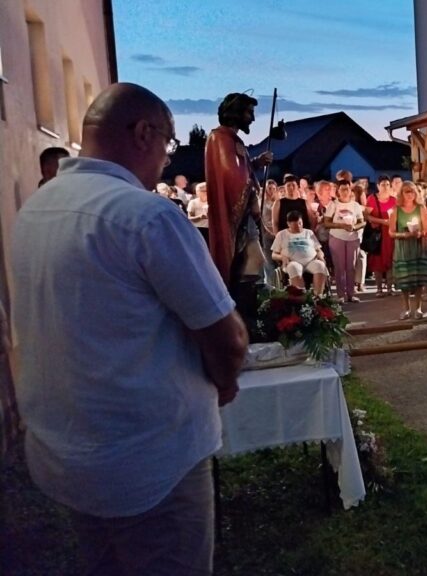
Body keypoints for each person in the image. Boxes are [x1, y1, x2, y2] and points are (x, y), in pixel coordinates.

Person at [11, 82, 247, 575]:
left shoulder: (34, 209)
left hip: (67, 453)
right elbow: (227, 336)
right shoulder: (145, 216)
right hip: (150, 460)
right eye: (167, 142)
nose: (167, 157)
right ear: (143, 133)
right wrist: (225, 381)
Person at [205, 92, 274, 322]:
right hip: (237, 218)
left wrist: (255, 163)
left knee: (254, 264)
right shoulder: (220, 139)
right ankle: (243, 317)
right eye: (249, 113)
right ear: (237, 113)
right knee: (252, 263)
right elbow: (232, 178)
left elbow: (239, 171)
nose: (252, 119)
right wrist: (252, 197)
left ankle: (248, 315)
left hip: (245, 221)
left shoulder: (233, 141)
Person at [389, 181, 427, 319]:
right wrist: (405, 234)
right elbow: (391, 232)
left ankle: (418, 308)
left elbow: (426, 229)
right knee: (404, 280)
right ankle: (406, 308)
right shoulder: (396, 210)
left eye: (412, 191)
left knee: (418, 277)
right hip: (402, 248)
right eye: (406, 191)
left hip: (417, 246)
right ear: (401, 193)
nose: (409, 194)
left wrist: (420, 233)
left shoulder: (420, 208)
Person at [323, 179, 365, 303]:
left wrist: (354, 227)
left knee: (351, 266)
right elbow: (327, 222)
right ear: (338, 191)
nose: (345, 192)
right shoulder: (333, 205)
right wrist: (341, 226)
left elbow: (361, 221)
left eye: (347, 189)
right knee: (340, 266)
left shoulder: (355, 205)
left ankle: (351, 293)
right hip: (337, 237)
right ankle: (341, 294)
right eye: (342, 189)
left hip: (353, 238)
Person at [271, 210, 329, 295]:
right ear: (288, 224)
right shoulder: (281, 234)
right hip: (292, 262)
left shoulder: (309, 233)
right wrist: (282, 257)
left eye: (300, 223)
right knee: (294, 267)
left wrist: (321, 256)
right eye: (295, 225)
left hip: (311, 261)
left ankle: (318, 296)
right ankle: (302, 298)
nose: (298, 227)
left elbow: (318, 250)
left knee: (320, 265)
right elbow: (274, 254)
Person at [365, 175, 397, 296]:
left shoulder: (394, 200)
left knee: (391, 259)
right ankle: (379, 288)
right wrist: (382, 221)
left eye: (388, 184)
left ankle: (390, 287)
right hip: (378, 234)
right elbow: (367, 216)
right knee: (377, 261)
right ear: (378, 186)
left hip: (390, 234)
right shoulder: (372, 199)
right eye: (383, 184)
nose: (385, 187)